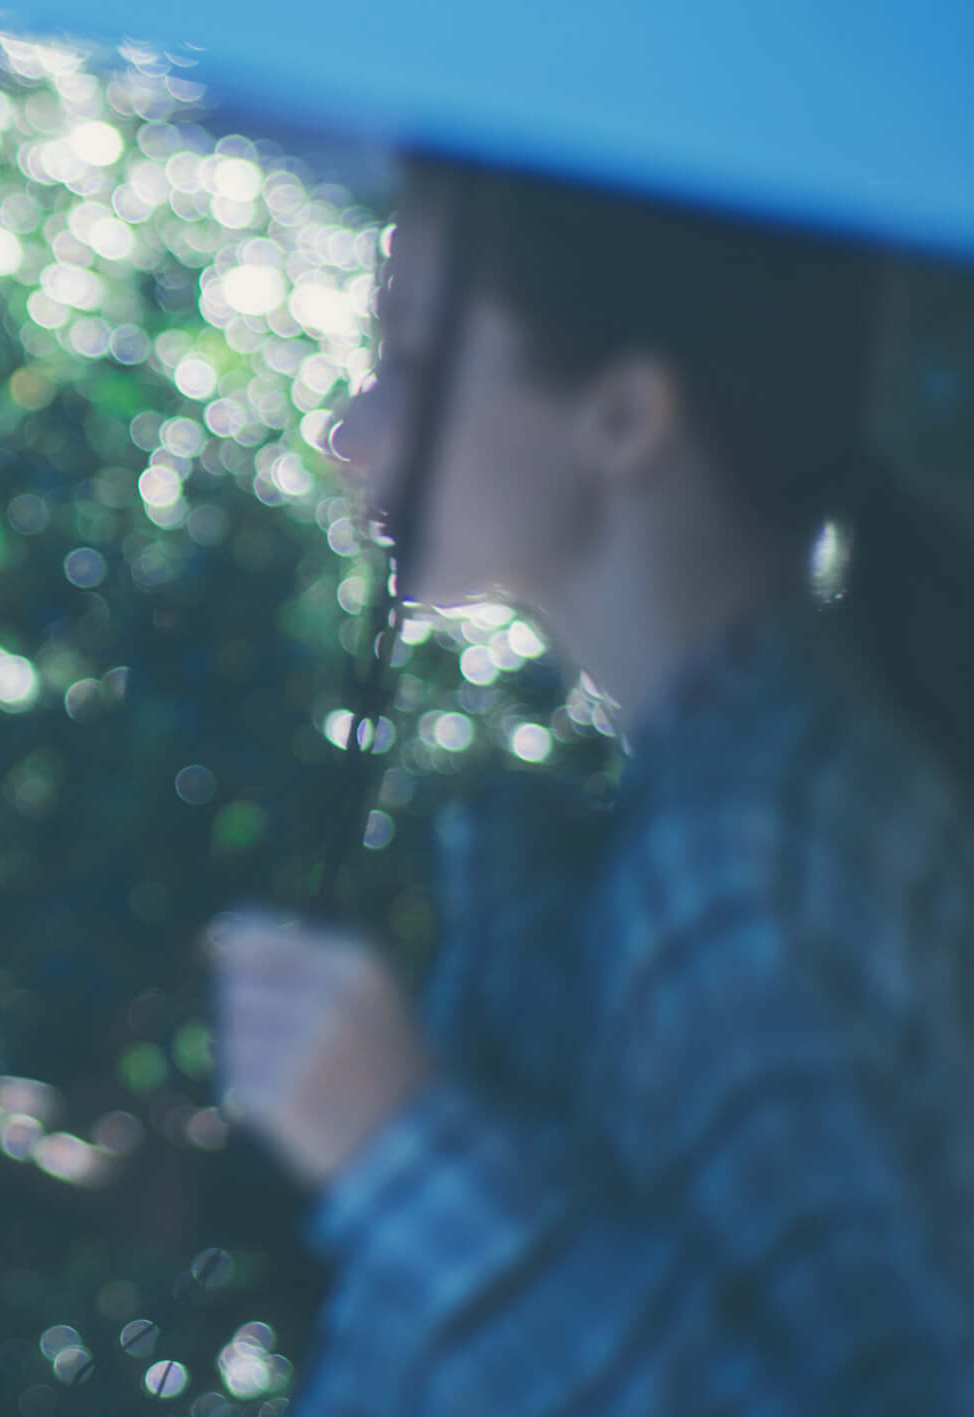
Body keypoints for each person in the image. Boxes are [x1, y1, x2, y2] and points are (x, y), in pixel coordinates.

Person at [211, 158, 974, 1412]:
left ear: (625, 416)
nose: (350, 433)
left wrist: (402, 1152)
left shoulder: (742, 869)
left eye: (415, 356)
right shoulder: (737, 803)